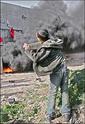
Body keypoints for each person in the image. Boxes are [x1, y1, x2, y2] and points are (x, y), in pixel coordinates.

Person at [23, 29, 71, 123]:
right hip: (64, 66)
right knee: (64, 90)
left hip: (57, 70)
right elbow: (41, 44)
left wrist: (28, 49)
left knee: (53, 92)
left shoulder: (46, 49)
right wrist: (31, 45)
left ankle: (50, 114)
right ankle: (66, 113)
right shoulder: (53, 41)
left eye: (38, 37)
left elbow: (36, 58)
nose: (37, 39)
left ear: (41, 38)